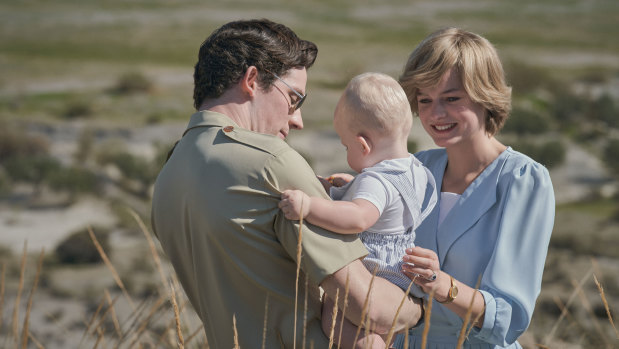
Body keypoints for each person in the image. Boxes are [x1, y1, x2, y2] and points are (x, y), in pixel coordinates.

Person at [150, 19, 423, 349]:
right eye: (294, 99)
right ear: (252, 80)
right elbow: (372, 309)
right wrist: (419, 306)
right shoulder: (270, 161)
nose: (297, 120)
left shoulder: (170, 173)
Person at [392, 27, 555, 348]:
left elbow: (508, 318)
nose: (435, 114)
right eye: (425, 100)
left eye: (451, 98)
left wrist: (441, 284)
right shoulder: (415, 168)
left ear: (485, 95)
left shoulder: (523, 180)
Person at [279, 72, 437, 348]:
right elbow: (391, 207)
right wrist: (354, 187)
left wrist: (308, 206)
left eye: (346, 145)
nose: (346, 151)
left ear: (363, 145)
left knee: (334, 317)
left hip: (376, 272)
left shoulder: (376, 181)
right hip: (400, 274)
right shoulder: (415, 169)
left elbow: (359, 218)